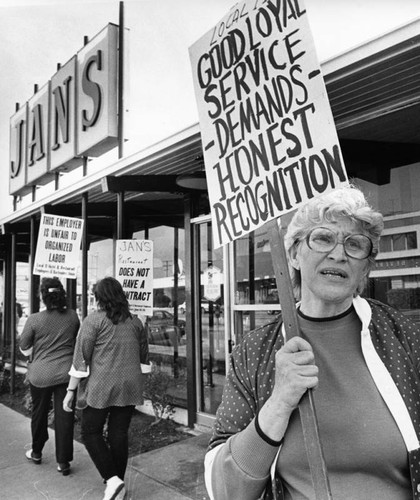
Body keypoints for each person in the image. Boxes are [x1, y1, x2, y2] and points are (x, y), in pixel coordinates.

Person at [204, 185, 420, 500]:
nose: (338, 253)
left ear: (366, 266)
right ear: (293, 253)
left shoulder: (404, 339)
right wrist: (279, 403)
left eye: (355, 244)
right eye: (322, 238)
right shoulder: (254, 352)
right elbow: (225, 490)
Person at [63, 276, 150, 500]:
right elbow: (143, 360)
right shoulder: (135, 322)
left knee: (90, 431)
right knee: (118, 433)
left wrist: (70, 391)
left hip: (103, 385)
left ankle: (113, 481)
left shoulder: (93, 321)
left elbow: (81, 360)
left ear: (99, 298)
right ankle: (117, 482)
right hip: (130, 384)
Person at [19, 277, 80, 475]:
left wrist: (35, 353)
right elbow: (75, 341)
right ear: (62, 294)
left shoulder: (34, 319)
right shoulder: (72, 316)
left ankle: (36, 452)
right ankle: (63, 462)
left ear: (43, 297)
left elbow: (24, 347)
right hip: (65, 374)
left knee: (39, 413)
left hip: (40, 375)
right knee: (65, 415)